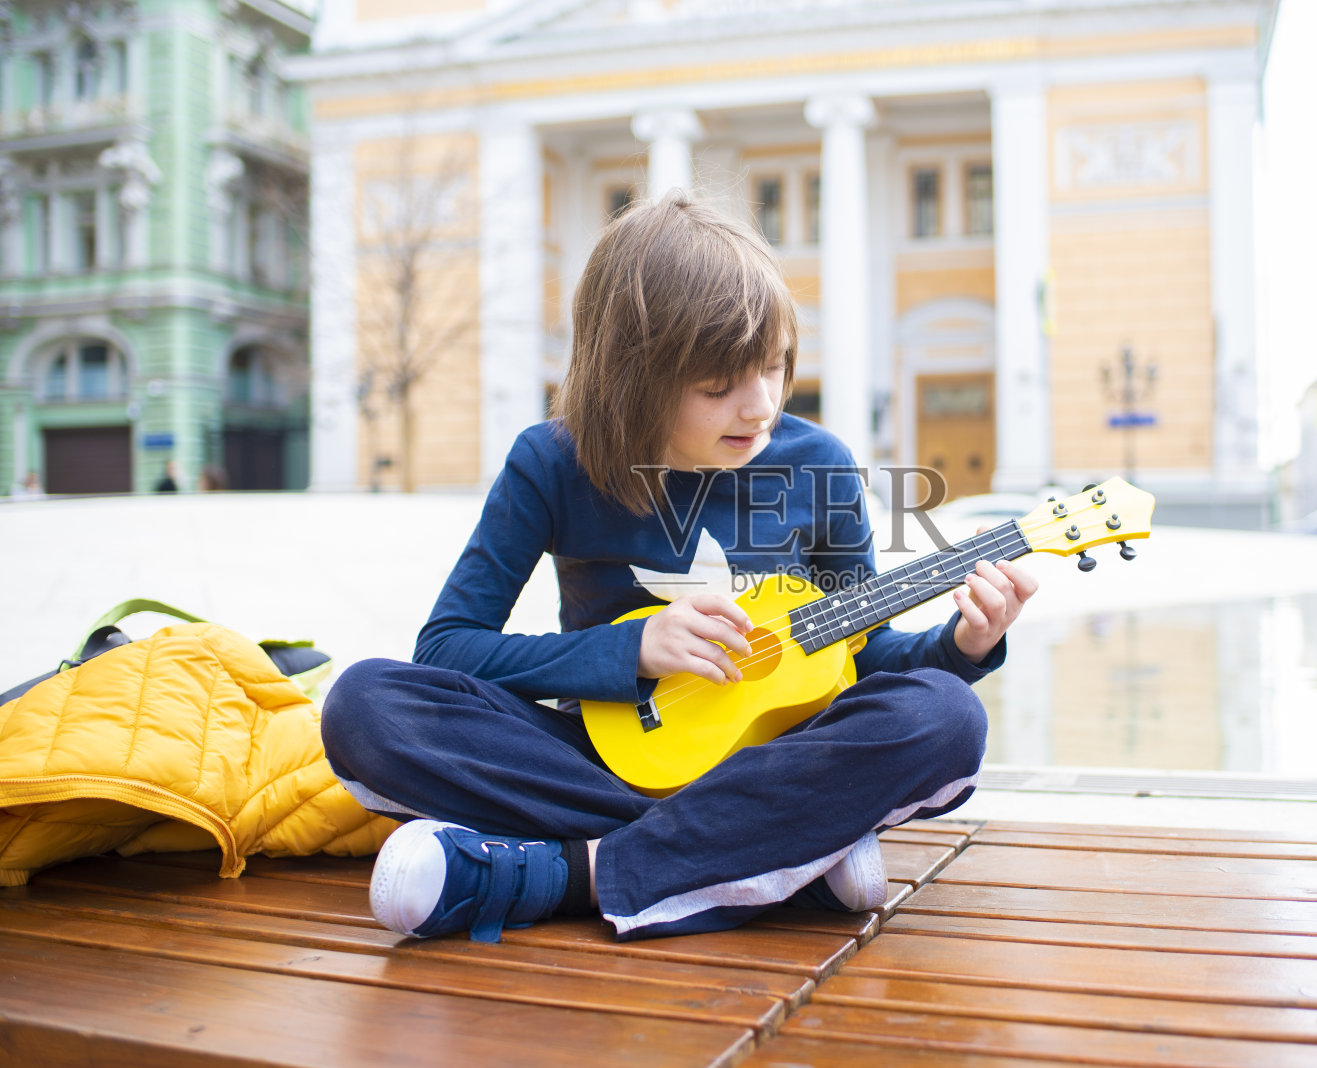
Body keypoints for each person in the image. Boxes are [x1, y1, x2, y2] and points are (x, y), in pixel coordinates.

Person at [321, 193, 1034, 946]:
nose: (758, 407)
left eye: (774, 368)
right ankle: (781, 851)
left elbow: (865, 657)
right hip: (601, 760)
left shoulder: (817, 464)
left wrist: (964, 644)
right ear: (634, 377)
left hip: (774, 758)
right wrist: (628, 651)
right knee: (366, 703)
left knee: (943, 717)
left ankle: (569, 873)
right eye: (718, 386)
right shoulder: (550, 463)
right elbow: (447, 649)